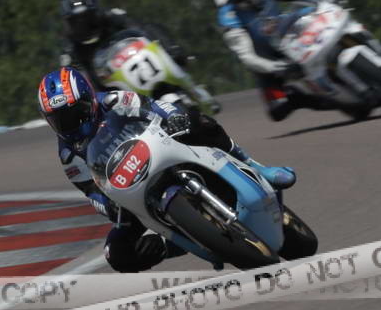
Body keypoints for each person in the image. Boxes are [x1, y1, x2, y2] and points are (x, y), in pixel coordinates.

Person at [38, 66, 295, 273]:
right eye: (59, 120)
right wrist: (108, 206)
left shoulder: (114, 100)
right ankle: (168, 244)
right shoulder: (68, 156)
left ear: (90, 99)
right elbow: (91, 192)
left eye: (76, 112)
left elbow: (154, 106)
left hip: (160, 148)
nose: (70, 123)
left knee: (199, 121)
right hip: (126, 189)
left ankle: (255, 166)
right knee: (116, 253)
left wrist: (174, 118)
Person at [213, 0, 340, 121]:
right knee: (278, 109)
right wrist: (276, 67)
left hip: (292, 37)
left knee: (321, 18)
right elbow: (246, 56)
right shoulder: (228, 15)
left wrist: (329, 1)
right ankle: (306, 98)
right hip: (268, 59)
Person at [58, 0, 189, 90]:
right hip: (115, 94)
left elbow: (144, 28)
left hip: (146, 65)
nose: (84, 25)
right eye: (77, 21)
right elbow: (73, 82)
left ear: (97, 12)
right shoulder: (70, 50)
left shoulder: (113, 16)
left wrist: (170, 48)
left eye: (88, 17)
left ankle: (194, 92)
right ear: (69, 23)